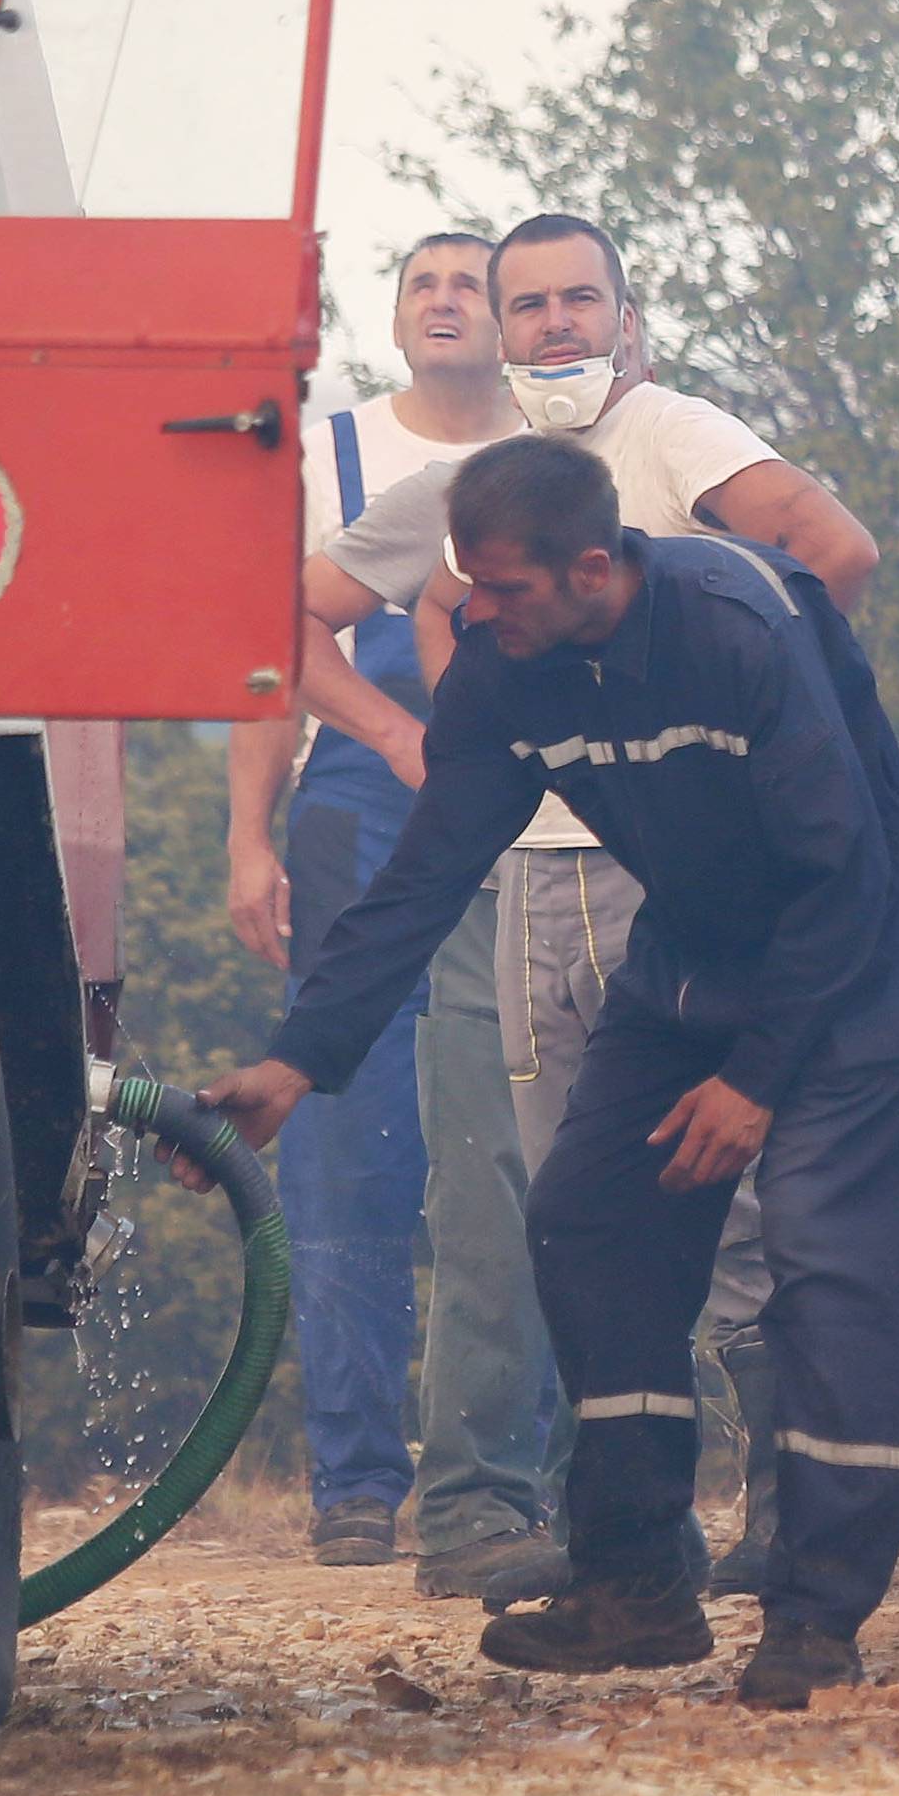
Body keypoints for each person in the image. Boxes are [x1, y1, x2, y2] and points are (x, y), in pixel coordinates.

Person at [188, 433, 899, 1710]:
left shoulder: (739, 623)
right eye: (462, 588)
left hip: (853, 961)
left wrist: (760, 1079)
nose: (469, 617)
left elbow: (848, 869)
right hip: (695, 956)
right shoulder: (505, 668)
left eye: (499, 589)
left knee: (827, 1256)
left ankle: (818, 1616)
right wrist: (296, 1062)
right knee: (592, 1217)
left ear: (595, 567)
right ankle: (638, 1582)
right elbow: (426, 873)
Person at [411, 213, 880, 1600]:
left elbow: (831, 550)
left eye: (579, 299)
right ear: (497, 326)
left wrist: (778, 719)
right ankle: (632, 1523)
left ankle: (784, 1504)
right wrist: (490, 728)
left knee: (717, 1204)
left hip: (657, 858)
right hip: (534, 870)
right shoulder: (507, 470)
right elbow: (434, 605)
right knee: (579, 1198)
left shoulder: (672, 431)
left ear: (626, 311)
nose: (555, 325)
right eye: (530, 304)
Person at [225, 230, 529, 1588]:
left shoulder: (561, 439)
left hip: (530, 807)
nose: (451, 299)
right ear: (399, 319)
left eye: (474, 281)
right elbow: (264, 643)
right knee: (346, 1140)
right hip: (363, 796)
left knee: (521, 1114)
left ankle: (522, 1465)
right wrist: (248, 833)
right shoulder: (337, 453)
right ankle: (355, 1478)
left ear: (511, 316)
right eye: (427, 284)